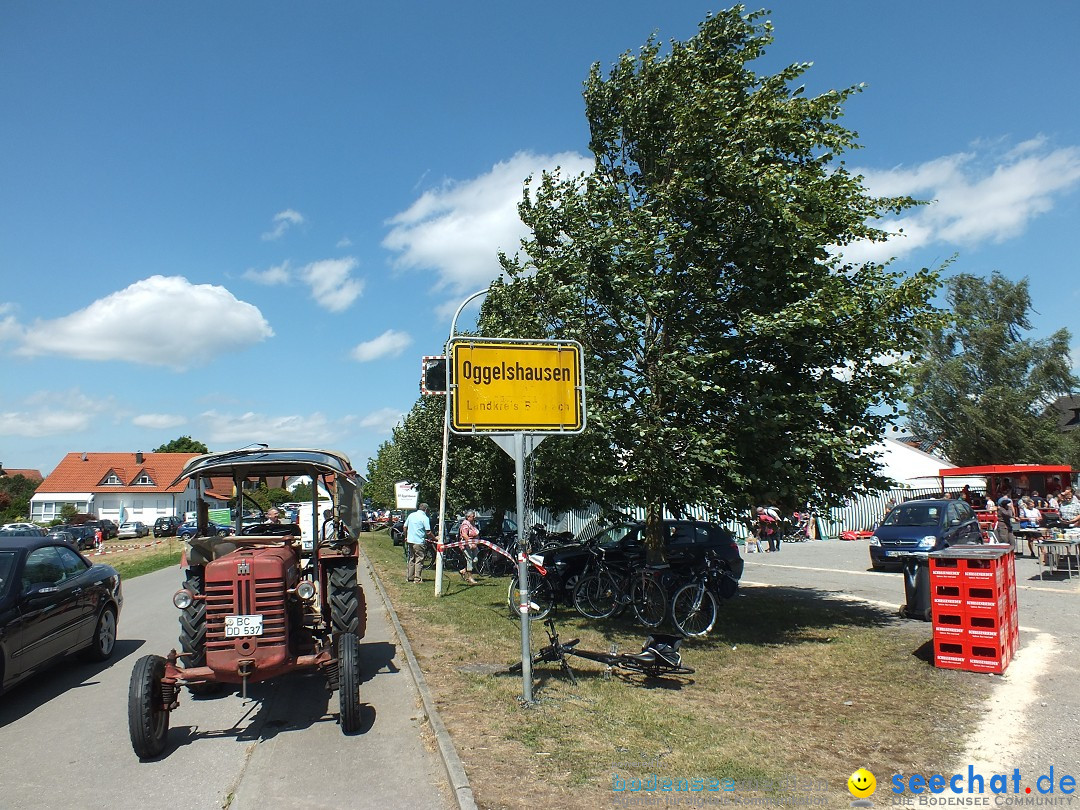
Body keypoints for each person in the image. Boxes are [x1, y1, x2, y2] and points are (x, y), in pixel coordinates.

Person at [405, 502, 434, 583]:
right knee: (419, 559)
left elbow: (405, 527)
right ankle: (417, 578)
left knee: (411, 559)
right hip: (419, 541)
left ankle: (410, 577)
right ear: (426, 509)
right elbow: (428, 532)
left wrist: (405, 537)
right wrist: (434, 539)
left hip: (410, 540)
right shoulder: (425, 518)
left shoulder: (411, 515)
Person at [457, 511, 480, 584]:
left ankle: (463, 571)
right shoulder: (465, 524)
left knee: (475, 560)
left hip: (474, 544)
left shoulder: (472, 524)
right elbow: (464, 535)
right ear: (468, 517)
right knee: (469, 559)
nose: (474, 517)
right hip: (466, 545)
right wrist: (470, 544)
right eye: (473, 516)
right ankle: (470, 577)